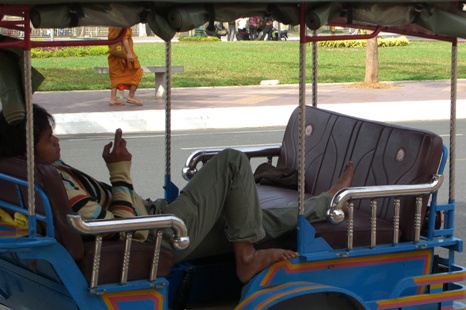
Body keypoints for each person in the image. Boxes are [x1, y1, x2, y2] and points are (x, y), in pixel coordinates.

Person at [0, 105, 355, 283]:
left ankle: (326, 202)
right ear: (28, 149)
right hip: (156, 236)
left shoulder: (36, 173)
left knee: (250, 218)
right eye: (50, 139)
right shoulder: (52, 180)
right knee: (231, 162)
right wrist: (120, 171)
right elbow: (120, 227)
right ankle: (247, 258)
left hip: (153, 218)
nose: (57, 142)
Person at [107, 27, 143, 106]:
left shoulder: (113, 22)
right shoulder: (121, 22)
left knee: (116, 75)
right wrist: (129, 53)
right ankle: (131, 95)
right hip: (124, 53)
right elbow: (124, 38)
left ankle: (113, 98)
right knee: (138, 72)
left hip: (115, 52)